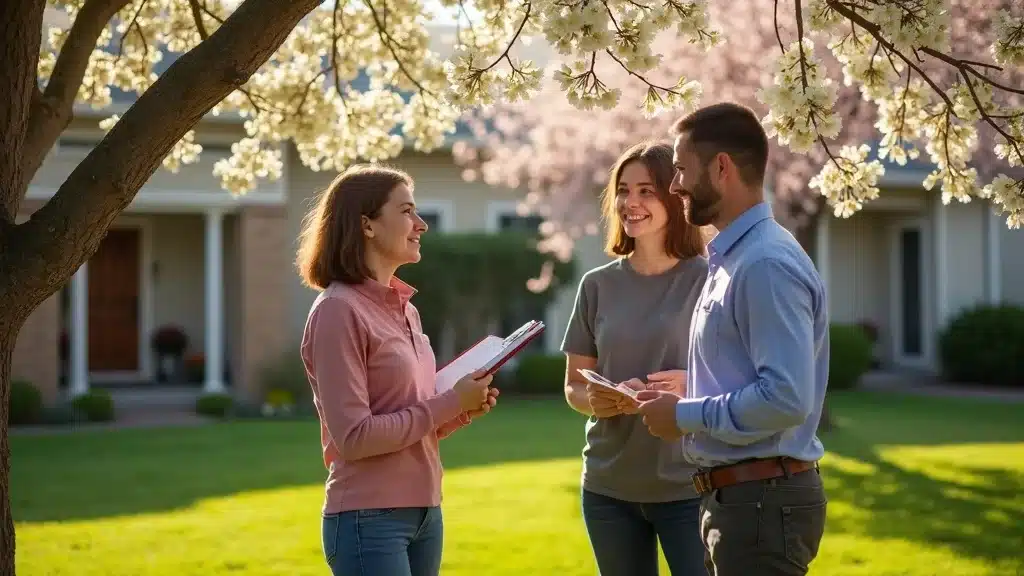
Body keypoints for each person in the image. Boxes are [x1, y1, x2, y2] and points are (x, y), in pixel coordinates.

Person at [636, 102, 830, 576]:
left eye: (681, 168)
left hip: (760, 505)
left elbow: (785, 398)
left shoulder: (764, 263)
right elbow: (757, 374)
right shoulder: (735, 257)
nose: (674, 184)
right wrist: (697, 385)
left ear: (721, 167)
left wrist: (684, 414)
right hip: (742, 502)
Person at [296, 163, 500, 576]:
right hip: (368, 518)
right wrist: (449, 402)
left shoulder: (406, 310)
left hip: (425, 512)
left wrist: (461, 409)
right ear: (367, 226)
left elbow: (411, 416)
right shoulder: (339, 310)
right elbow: (354, 438)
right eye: (407, 211)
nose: (421, 224)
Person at [561, 141, 711, 576]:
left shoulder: (709, 279)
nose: (631, 202)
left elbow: (741, 375)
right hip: (609, 488)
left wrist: (690, 382)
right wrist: (599, 400)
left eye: (646, 190)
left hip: (691, 484)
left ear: (673, 195)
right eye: (624, 191)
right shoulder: (596, 285)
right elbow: (573, 385)